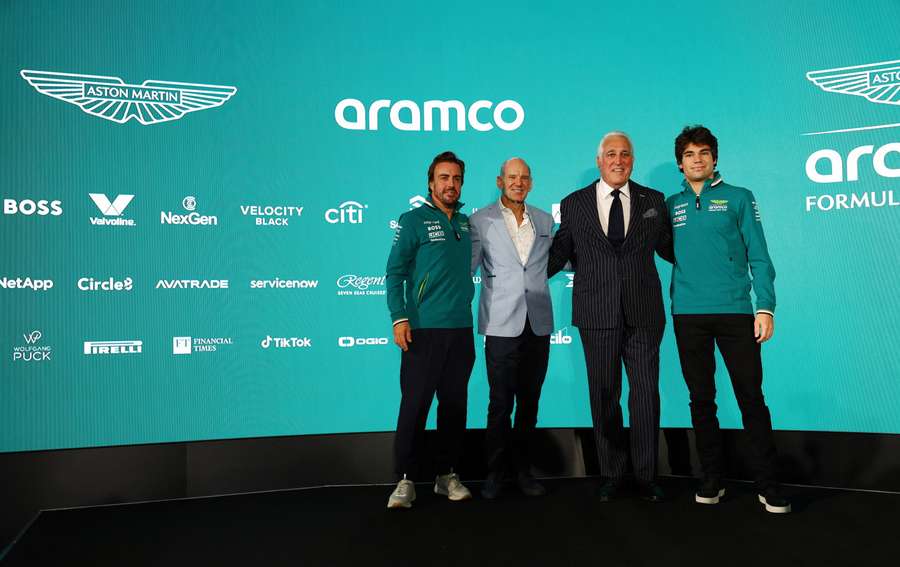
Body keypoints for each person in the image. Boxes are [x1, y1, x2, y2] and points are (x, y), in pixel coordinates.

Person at [666, 125, 790, 513]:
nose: (697, 159)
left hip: (736, 312)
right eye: (689, 154)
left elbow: (759, 255)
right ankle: (712, 478)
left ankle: (768, 485)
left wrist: (765, 307)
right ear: (680, 163)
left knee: (751, 399)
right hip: (688, 315)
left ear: (714, 158)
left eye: (703, 152)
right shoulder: (671, 205)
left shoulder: (739, 198)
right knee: (701, 400)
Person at [548, 131, 673, 502]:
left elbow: (673, 249)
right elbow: (559, 253)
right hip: (596, 313)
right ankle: (614, 473)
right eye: (611, 154)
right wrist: (521, 275)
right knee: (604, 395)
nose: (618, 160)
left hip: (644, 313)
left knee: (646, 395)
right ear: (599, 160)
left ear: (632, 160)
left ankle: (647, 475)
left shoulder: (655, 200)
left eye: (625, 154)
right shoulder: (574, 204)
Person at [384, 151, 476, 509]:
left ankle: (446, 474)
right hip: (423, 331)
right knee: (415, 405)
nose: (449, 184)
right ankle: (405, 479)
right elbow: (395, 272)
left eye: (455, 178)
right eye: (443, 177)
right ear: (431, 182)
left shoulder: (466, 223)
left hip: (461, 330)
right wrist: (400, 317)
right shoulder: (413, 220)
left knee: (454, 407)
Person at [470, 157, 555, 499]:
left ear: (531, 183)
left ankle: (523, 471)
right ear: (500, 181)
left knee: (530, 402)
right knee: (500, 402)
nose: (517, 182)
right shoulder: (480, 221)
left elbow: (553, 262)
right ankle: (496, 473)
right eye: (511, 177)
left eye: (523, 178)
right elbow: (466, 267)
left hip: (538, 323)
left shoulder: (545, 219)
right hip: (500, 323)